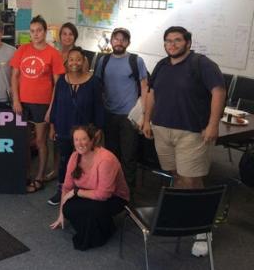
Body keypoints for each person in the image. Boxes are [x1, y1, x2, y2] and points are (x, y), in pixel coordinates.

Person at [142, 26, 226, 257]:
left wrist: (213, 124)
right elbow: (152, 93)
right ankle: (182, 216)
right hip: (162, 130)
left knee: (192, 180)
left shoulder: (202, 64)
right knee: (176, 175)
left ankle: (202, 230)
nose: (172, 45)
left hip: (191, 133)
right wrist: (147, 120)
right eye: (168, 41)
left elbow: (218, 92)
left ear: (188, 43)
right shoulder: (161, 65)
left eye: (177, 40)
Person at [50, 124, 129, 251]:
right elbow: (67, 187)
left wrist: (76, 192)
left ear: (92, 140)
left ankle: (102, 231)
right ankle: (101, 226)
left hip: (114, 198)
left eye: (84, 139)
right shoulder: (75, 156)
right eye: (76, 140)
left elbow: (104, 194)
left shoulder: (105, 160)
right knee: (68, 208)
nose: (80, 143)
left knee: (91, 209)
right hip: (90, 193)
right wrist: (61, 214)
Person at [10, 15, 65, 193]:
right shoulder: (23, 49)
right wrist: (16, 100)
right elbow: (15, 76)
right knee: (24, 141)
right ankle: (25, 174)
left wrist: (52, 108)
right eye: (32, 31)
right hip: (23, 103)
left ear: (45, 31)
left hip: (43, 103)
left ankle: (40, 176)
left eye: (39, 30)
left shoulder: (53, 53)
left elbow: (58, 84)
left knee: (41, 141)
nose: (35, 34)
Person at [47, 47, 104, 206]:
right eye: (71, 59)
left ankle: (82, 191)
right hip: (64, 128)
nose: (74, 63)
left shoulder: (93, 82)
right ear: (67, 62)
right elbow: (56, 105)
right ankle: (62, 190)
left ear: (84, 61)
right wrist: (52, 127)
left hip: (85, 132)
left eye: (78, 59)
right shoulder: (61, 82)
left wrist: (98, 130)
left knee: (84, 162)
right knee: (64, 161)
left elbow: (99, 107)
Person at [94, 27, 148, 189]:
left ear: (128, 43)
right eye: (116, 39)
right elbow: (97, 85)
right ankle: (112, 188)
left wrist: (143, 115)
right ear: (111, 41)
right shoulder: (103, 61)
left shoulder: (136, 61)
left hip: (128, 116)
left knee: (128, 157)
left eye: (123, 39)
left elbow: (145, 87)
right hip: (109, 114)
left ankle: (128, 194)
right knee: (111, 155)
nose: (119, 42)